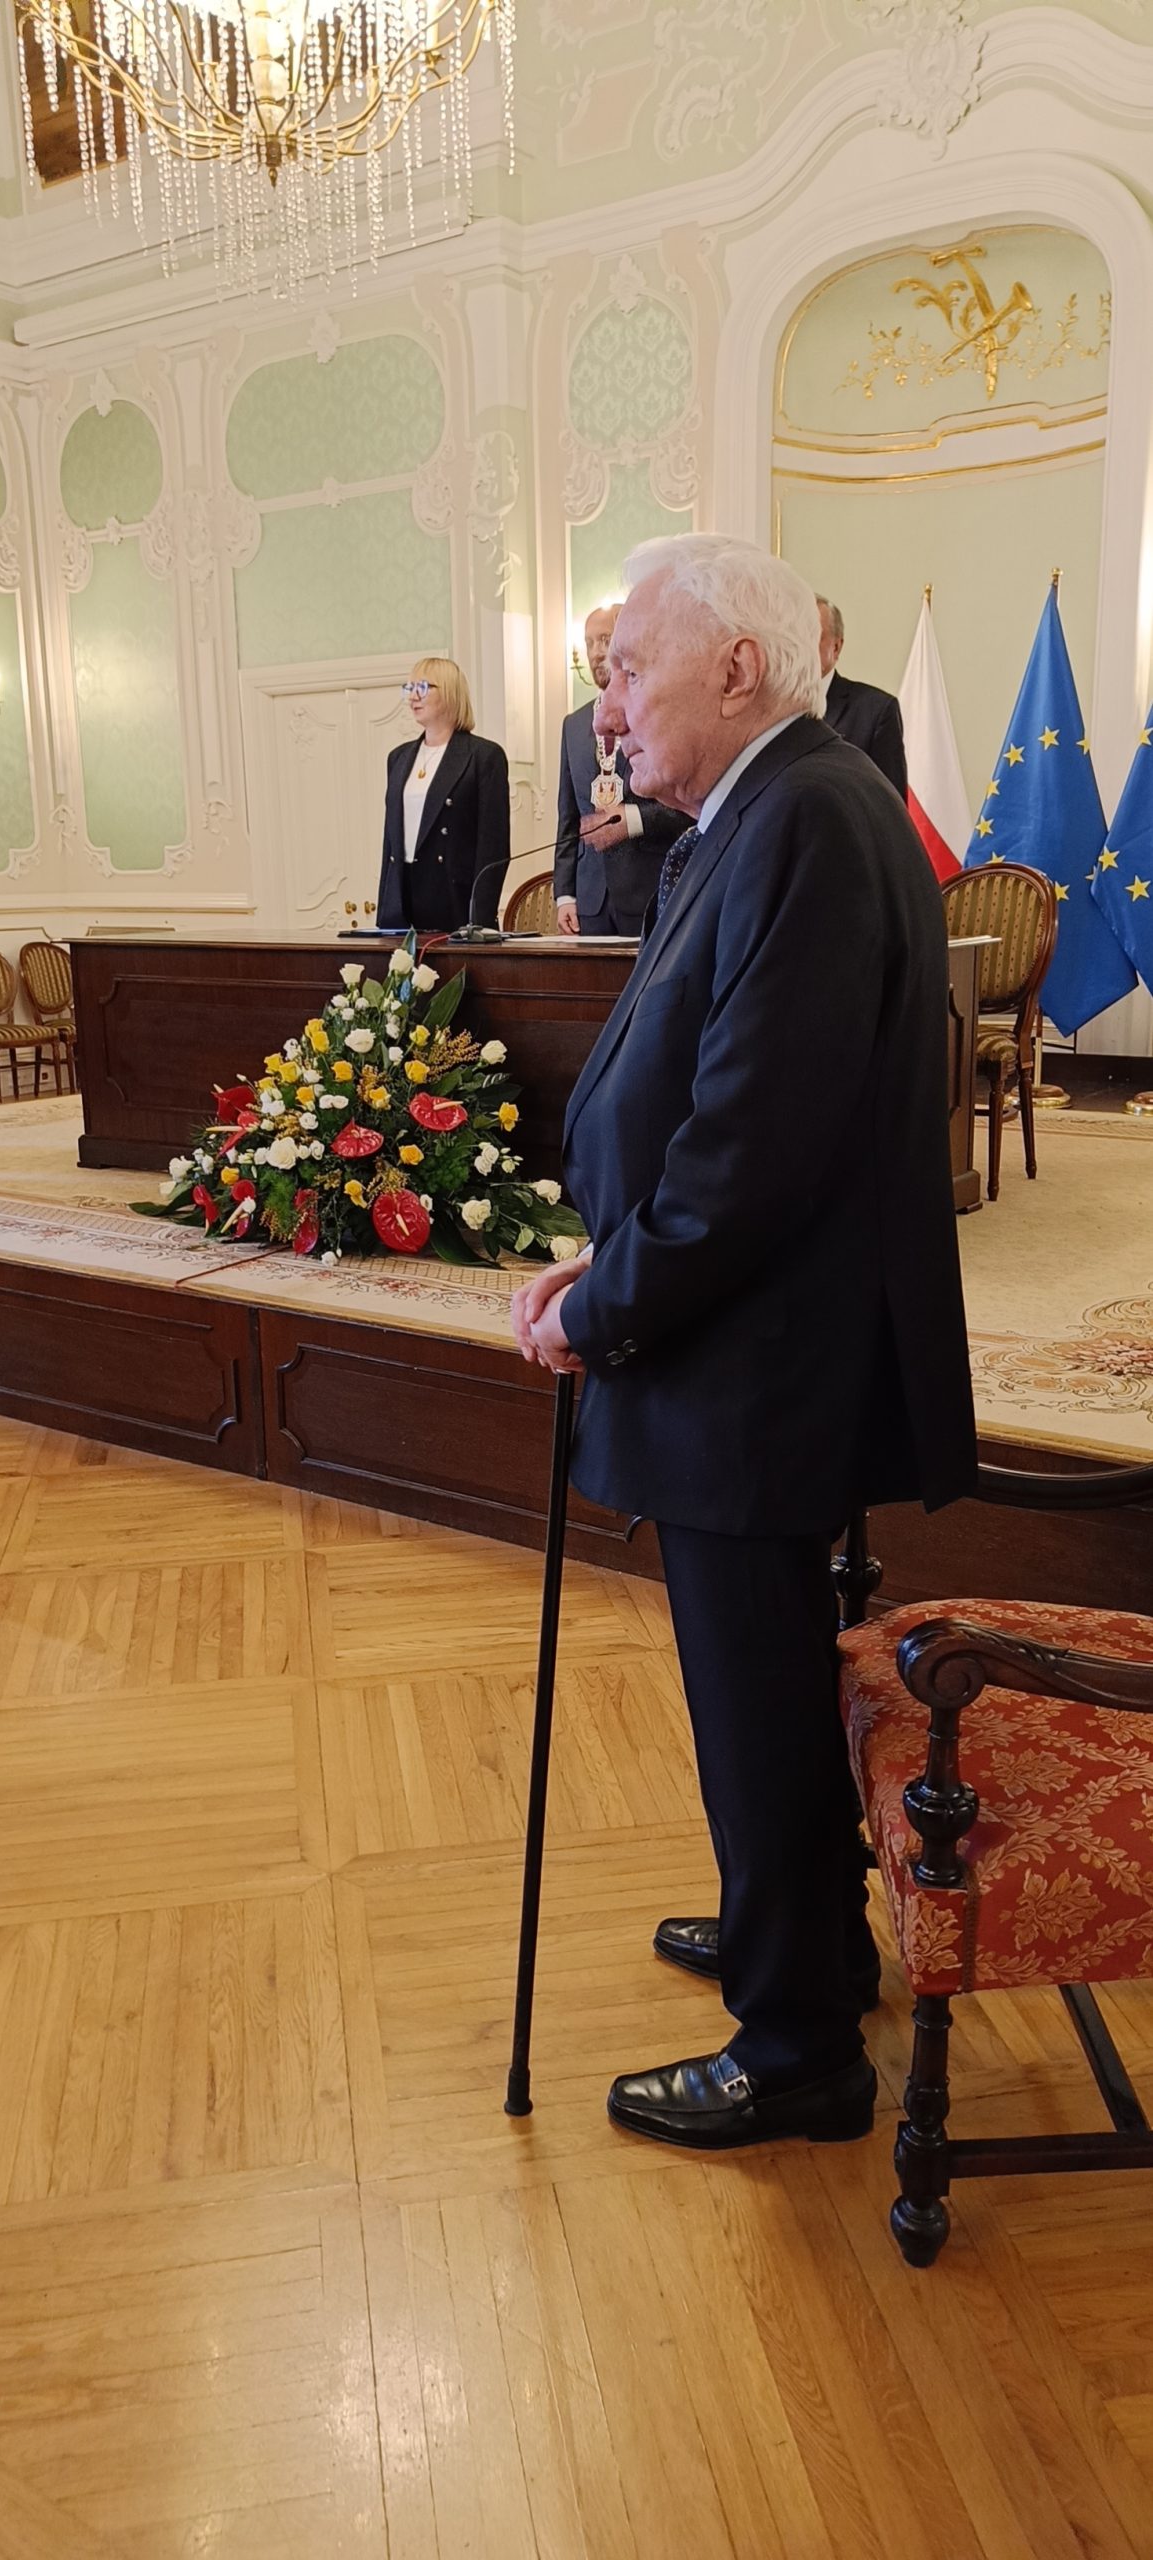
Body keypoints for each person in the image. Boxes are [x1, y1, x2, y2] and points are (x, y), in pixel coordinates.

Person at [511, 534, 975, 2153]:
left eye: (628, 668)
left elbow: (751, 1150)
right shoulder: (762, 812)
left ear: (733, 666)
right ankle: (800, 1931)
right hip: (743, 1342)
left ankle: (795, 2050)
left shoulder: (809, 819)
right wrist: (612, 1252)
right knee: (760, 1684)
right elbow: (708, 1089)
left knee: (757, 1691)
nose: (607, 706)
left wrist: (603, 1301)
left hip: (757, 1362)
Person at [554, 604, 684, 936]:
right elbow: (568, 817)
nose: (596, 652)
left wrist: (633, 820)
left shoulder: (655, 712)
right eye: (589, 642)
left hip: (649, 891)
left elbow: (687, 809)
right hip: (590, 900)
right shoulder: (573, 724)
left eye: (605, 640)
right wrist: (565, 894)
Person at [376, 657, 509, 933]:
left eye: (423, 687)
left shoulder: (483, 756)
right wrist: (385, 909)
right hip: (402, 902)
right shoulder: (398, 758)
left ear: (449, 692)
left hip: (454, 902)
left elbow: (493, 848)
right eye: (409, 688)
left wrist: (479, 920)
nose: (413, 696)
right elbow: (390, 843)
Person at [819, 597, 908, 798]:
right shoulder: (774, 706)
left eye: (812, 635)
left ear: (836, 647)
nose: (801, 646)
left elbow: (890, 804)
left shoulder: (875, 710)